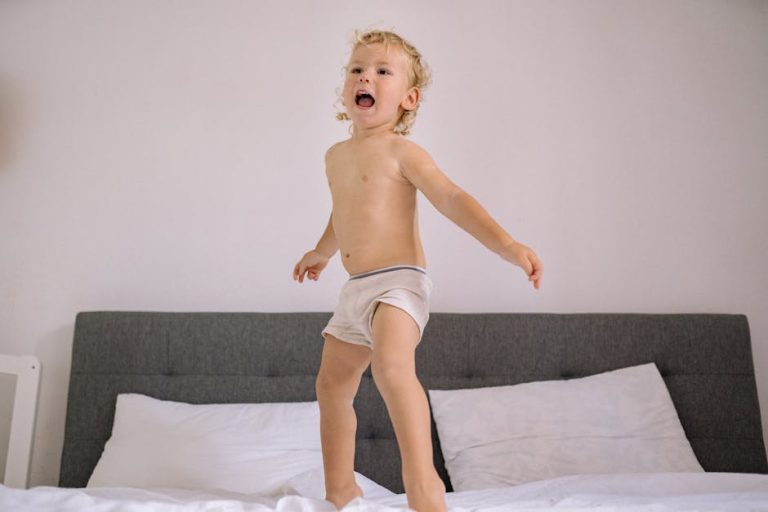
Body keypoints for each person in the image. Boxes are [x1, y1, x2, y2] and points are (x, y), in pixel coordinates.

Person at [292, 29, 543, 512]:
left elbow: (452, 198)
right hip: (355, 288)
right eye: (357, 69)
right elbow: (343, 213)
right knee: (330, 386)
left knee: (391, 366)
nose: (366, 76)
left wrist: (508, 245)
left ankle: (422, 483)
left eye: (383, 72)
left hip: (398, 282)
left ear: (408, 99)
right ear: (346, 87)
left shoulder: (403, 152)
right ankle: (340, 489)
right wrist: (322, 252)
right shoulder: (335, 156)